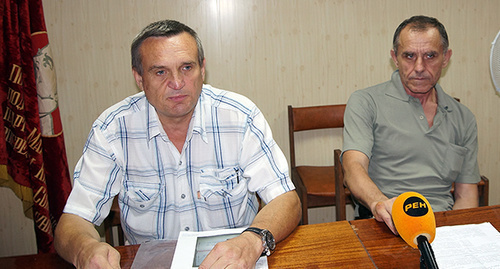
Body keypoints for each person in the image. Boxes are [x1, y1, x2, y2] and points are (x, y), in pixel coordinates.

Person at [54, 19, 301, 268]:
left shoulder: (240, 117)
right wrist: (85, 250)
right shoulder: (112, 130)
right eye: (160, 72)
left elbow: (286, 200)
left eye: (186, 67)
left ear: (202, 69)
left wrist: (251, 241)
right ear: (139, 78)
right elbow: (74, 221)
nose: (177, 82)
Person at [342, 15, 480, 234]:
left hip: (441, 225)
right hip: (384, 223)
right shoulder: (366, 102)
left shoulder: (463, 117)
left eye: (430, 56)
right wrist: (379, 204)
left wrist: (458, 237)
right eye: (409, 56)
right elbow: (353, 168)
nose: (419, 67)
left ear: (446, 58)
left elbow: (466, 196)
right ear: (395, 58)